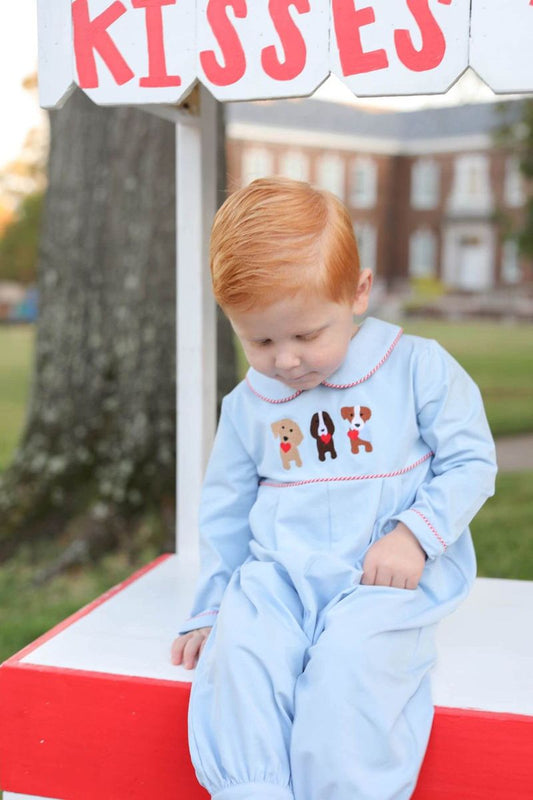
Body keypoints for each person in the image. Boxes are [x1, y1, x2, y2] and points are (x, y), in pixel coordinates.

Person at [171, 177, 497, 800]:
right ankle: (254, 789)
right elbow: (226, 514)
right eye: (260, 340)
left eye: (306, 335)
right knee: (241, 654)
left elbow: (471, 459)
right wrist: (213, 607)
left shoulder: (415, 366)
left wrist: (415, 535)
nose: (286, 361)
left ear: (358, 293)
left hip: (383, 573)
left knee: (351, 669)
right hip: (281, 573)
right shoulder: (247, 405)